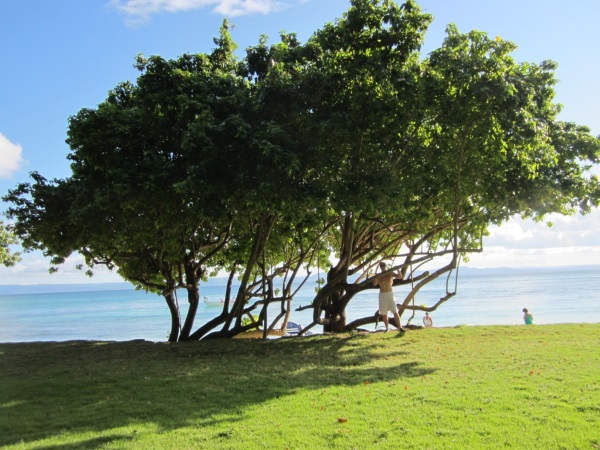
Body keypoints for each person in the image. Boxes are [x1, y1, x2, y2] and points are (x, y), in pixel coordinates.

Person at [372, 261, 405, 332]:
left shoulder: (390, 272)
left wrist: (398, 269)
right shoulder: (379, 275)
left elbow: (400, 276)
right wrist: (375, 277)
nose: (382, 266)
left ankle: (400, 327)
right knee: (384, 313)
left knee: (395, 311)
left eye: (383, 265)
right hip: (382, 294)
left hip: (390, 293)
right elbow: (374, 284)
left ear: (385, 266)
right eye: (381, 265)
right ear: (380, 267)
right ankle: (387, 328)